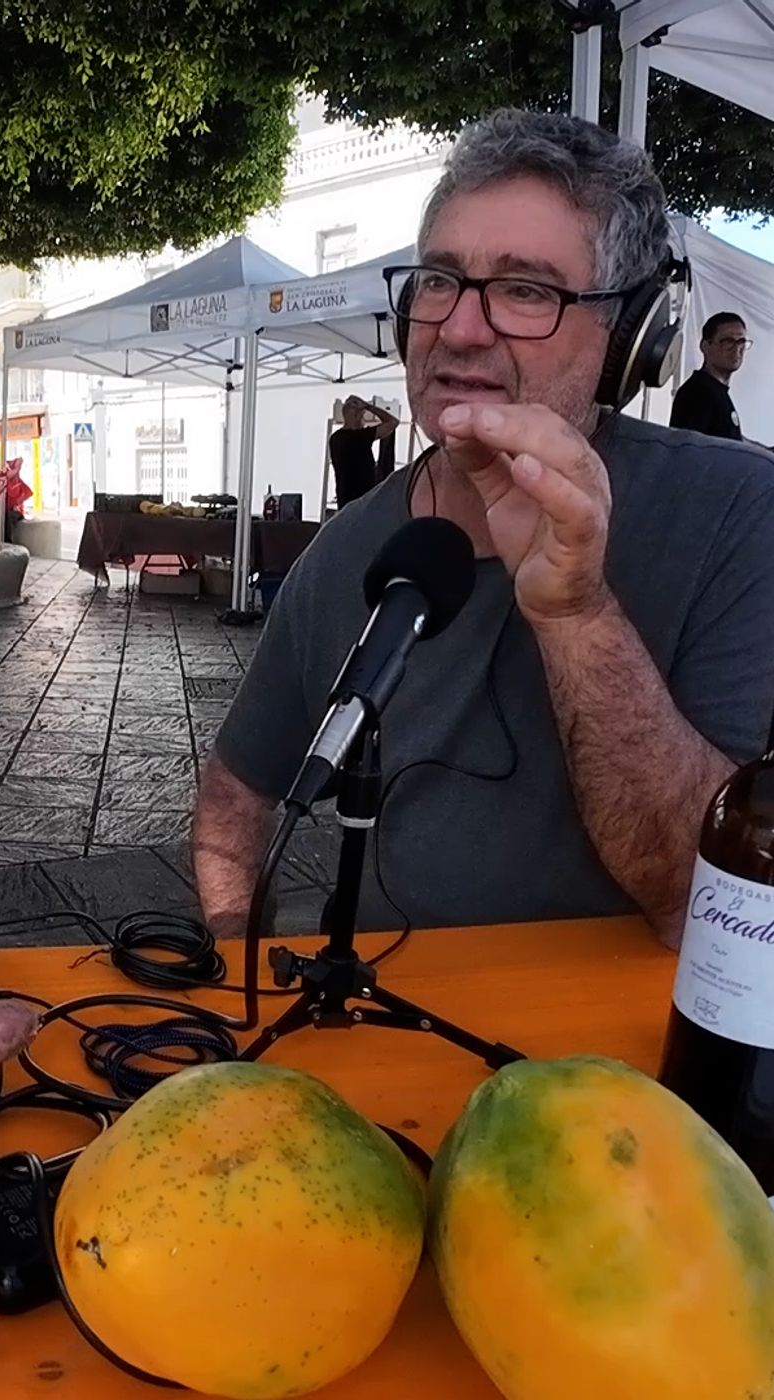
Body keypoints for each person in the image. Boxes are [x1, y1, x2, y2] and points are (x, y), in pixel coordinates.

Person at [193, 109, 774, 951]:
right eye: (439, 279)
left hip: (619, 1058)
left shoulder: (737, 513)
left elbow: (698, 902)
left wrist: (575, 613)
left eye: (526, 290)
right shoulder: (350, 547)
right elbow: (236, 796)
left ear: (630, 339)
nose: (460, 328)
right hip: (385, 1027)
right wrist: (231, 969)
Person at [669, 312, 749, 440]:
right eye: (728, 341)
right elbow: (689, 449)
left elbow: (731, 438)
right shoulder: (697, 393)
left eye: (741, 342)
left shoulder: (715, 391)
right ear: (705, 346)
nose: (736, 348)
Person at [328, 395, 400, 507]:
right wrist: (368, 406)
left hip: (346, 504)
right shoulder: (358, 437)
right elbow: (392, 422)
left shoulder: (335, 439)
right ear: (356, 415)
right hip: (363, 504)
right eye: (362, 415)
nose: (364, 421)